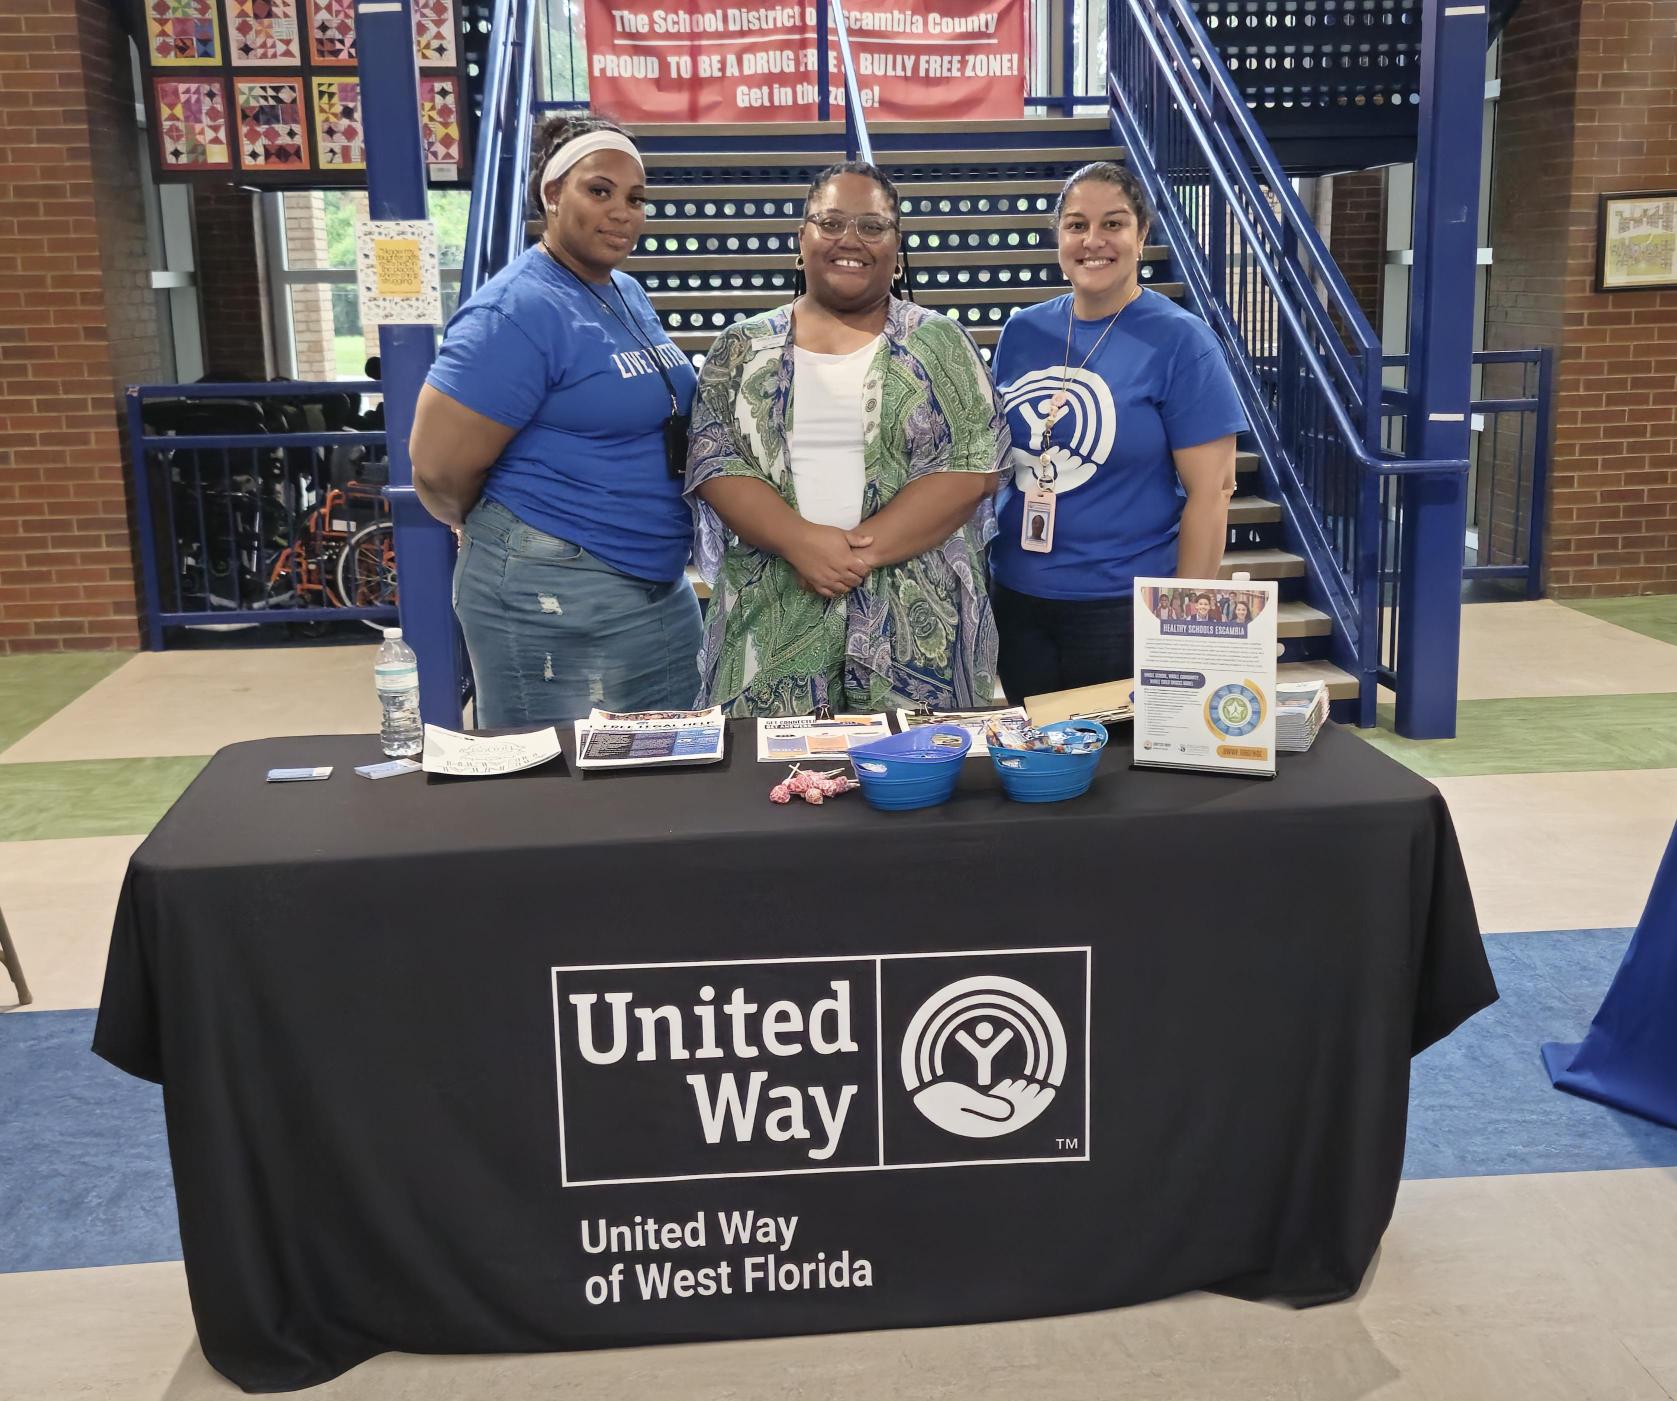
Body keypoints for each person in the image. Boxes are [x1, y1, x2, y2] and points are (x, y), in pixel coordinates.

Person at [409, 114, 701, 725]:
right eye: (599, 191)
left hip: (653, 579)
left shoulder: (621, 290)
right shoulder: (516, 310)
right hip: (553, 585)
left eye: (635, 198)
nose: (621, 212)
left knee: (669, 778)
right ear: (550, 194)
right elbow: (436, 471)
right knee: (555, 795)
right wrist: (519, 529)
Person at [685, 162, 1006, 716]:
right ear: (801, 240)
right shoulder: (741, 347)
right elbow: (717, 463)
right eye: (830, 223)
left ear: (896, 244)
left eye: (872, 226)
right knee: (769, 791)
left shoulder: (941, 343)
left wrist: (854, 553)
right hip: (771, 618)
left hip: (918, 625)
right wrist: (800, 543)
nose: (849, 241)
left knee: (913, 788)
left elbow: (972, 466)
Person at [990, 162, 1247, 701]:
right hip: (1017, 597)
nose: (1094, 241)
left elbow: (1213, 492)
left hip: (1123, 609)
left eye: (1114, 224)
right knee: (1036, 769)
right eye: (1077, 225)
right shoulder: (1023, 331)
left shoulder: (1181, 342)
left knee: (1116, 779)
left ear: (1142, 234)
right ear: (1058, 235)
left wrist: (1181, 626)